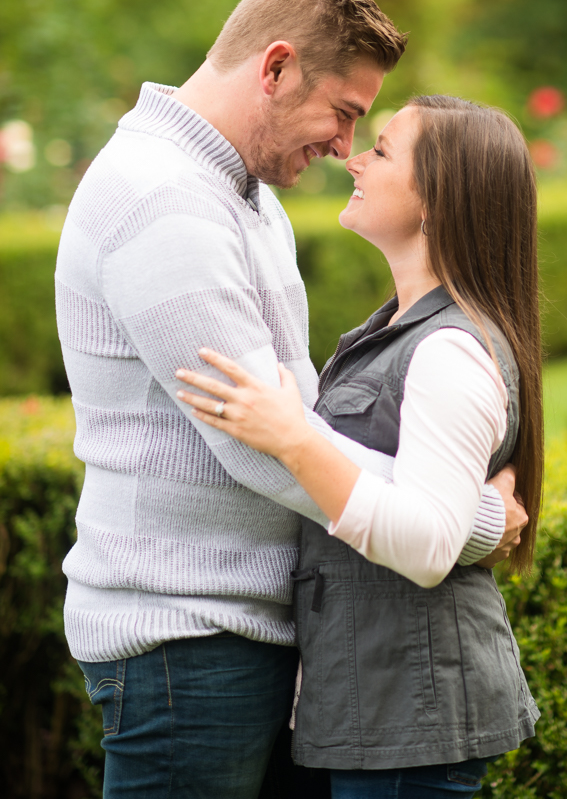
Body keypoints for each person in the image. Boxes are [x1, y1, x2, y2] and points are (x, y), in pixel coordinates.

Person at [55, 0, 526, 799]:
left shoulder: (245, 197)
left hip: (244, 634)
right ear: (273, 68)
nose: (347, 147)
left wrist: (437, 510)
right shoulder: (164, 201)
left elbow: (292, 418)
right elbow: (264, 447)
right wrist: (467, 515)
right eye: (346, 113)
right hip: (187, 640)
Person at [174, 95, 543, 798]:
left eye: (380, 150)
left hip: (410, 719)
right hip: (376, 709)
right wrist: (483, 517)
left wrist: (291, 439)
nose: (353, 158)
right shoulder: (402, 330)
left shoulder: (447, 351)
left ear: (437, 199)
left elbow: (426, 546)